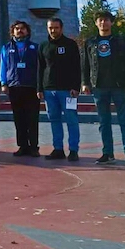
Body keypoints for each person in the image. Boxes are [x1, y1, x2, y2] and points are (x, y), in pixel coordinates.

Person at [82, 11, 125, 166]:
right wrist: (85, 82)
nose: (103, 23)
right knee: (103, 122)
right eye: (100, 20)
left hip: (119, 85)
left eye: (106, 20)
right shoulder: (90, 42)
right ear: (96, 23)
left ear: (111, 22)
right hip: (99, 86)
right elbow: (85, 64)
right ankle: (107, 153)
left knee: (124, 120)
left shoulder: (122, 41)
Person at [38, 17, 82, 161]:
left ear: (61, 28)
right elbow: (40, 68)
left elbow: (76, 67)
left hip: (67, 91)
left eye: (56, 28)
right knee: (54, 120)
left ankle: (73, 150)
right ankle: (58, 149)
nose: (53, 30)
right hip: (49, 90)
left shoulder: (70, 44)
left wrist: (75, 87)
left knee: (71, 120)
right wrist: (39, 88)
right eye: (50, 28)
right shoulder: (43, 46)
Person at [0, 21, 41, 157]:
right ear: (12, 31)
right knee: (19, 118)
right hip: (14, 86)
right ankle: (22, 146)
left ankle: (34, 146)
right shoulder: (6, 48)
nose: (20, 31)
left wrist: (40, 85)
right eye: (17, 29)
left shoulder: (35, 47)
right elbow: (3, 66)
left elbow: (40, 67)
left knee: (32, 118)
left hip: (31, 86)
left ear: (27, 31)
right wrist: (3, 83)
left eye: (22, 28)